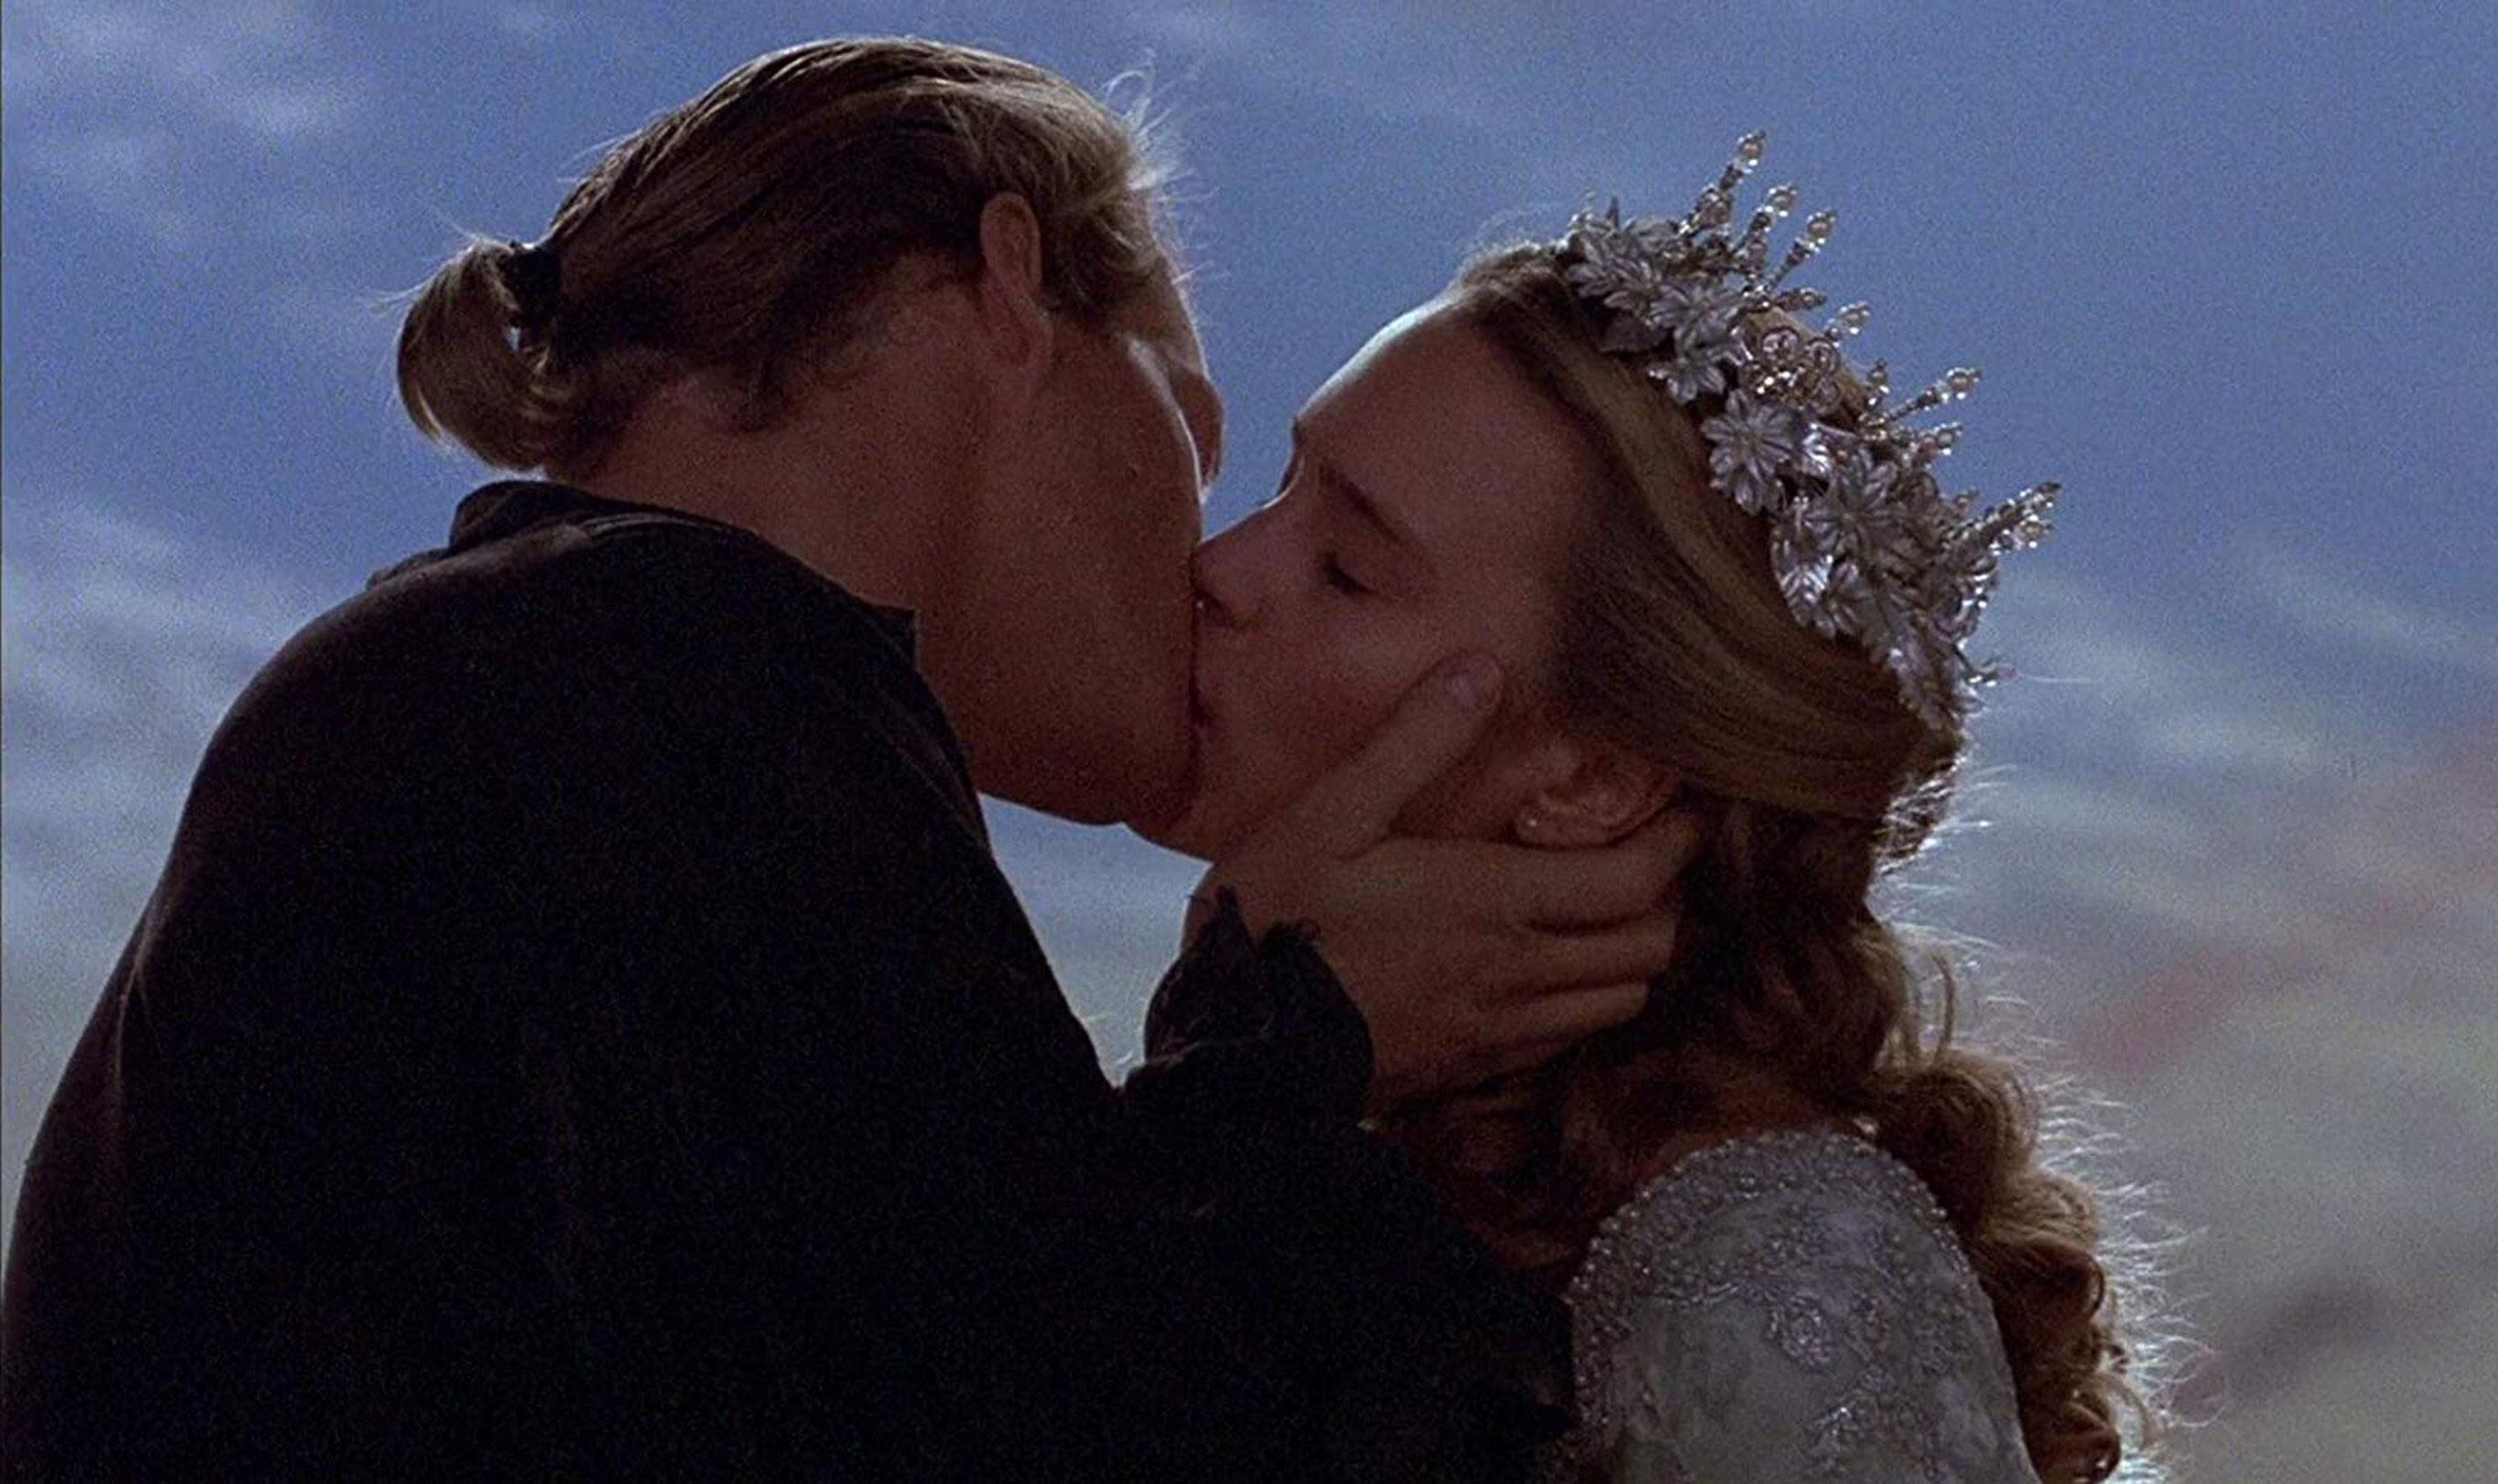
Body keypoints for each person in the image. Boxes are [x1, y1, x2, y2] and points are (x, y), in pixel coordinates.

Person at [0, 38, 1701, 1481]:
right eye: (1193, 430)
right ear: (1013, 290)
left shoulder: (529, 674)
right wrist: (1284, 1034)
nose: (1208, 563)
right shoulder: (661, 677)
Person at [1143, 136, 2163, 1481]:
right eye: (1284, 490)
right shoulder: (1369, 1149)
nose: (1220, 569)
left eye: (1345, 569)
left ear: (1594, 782)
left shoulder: (1770, 1268)